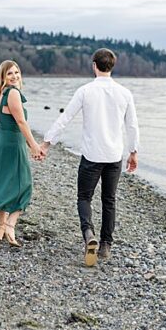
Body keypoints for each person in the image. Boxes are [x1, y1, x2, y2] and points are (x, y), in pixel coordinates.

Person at [40, 48, 139, 267]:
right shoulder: (125, 93)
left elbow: (64, 118)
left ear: (94, 65)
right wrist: (133, 152)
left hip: (92, 155)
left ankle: (88, 234)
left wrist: (46, 143)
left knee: (84, 197)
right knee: (109, 199)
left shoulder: (85, 91)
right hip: (114, 156)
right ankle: (105, 245)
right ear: (111, 66)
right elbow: (131, 126)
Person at [0, 60, 43, 247]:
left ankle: (1, 227)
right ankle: (10, 224)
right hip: (11, 144)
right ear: (3, 76)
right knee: (24, 185)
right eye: (10, 73)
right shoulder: (14, 93)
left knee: (2, 182)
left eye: (16, 72)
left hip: (0, 141)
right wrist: (33, 145)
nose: (15, 76)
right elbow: (21, 122)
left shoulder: (2, 93)